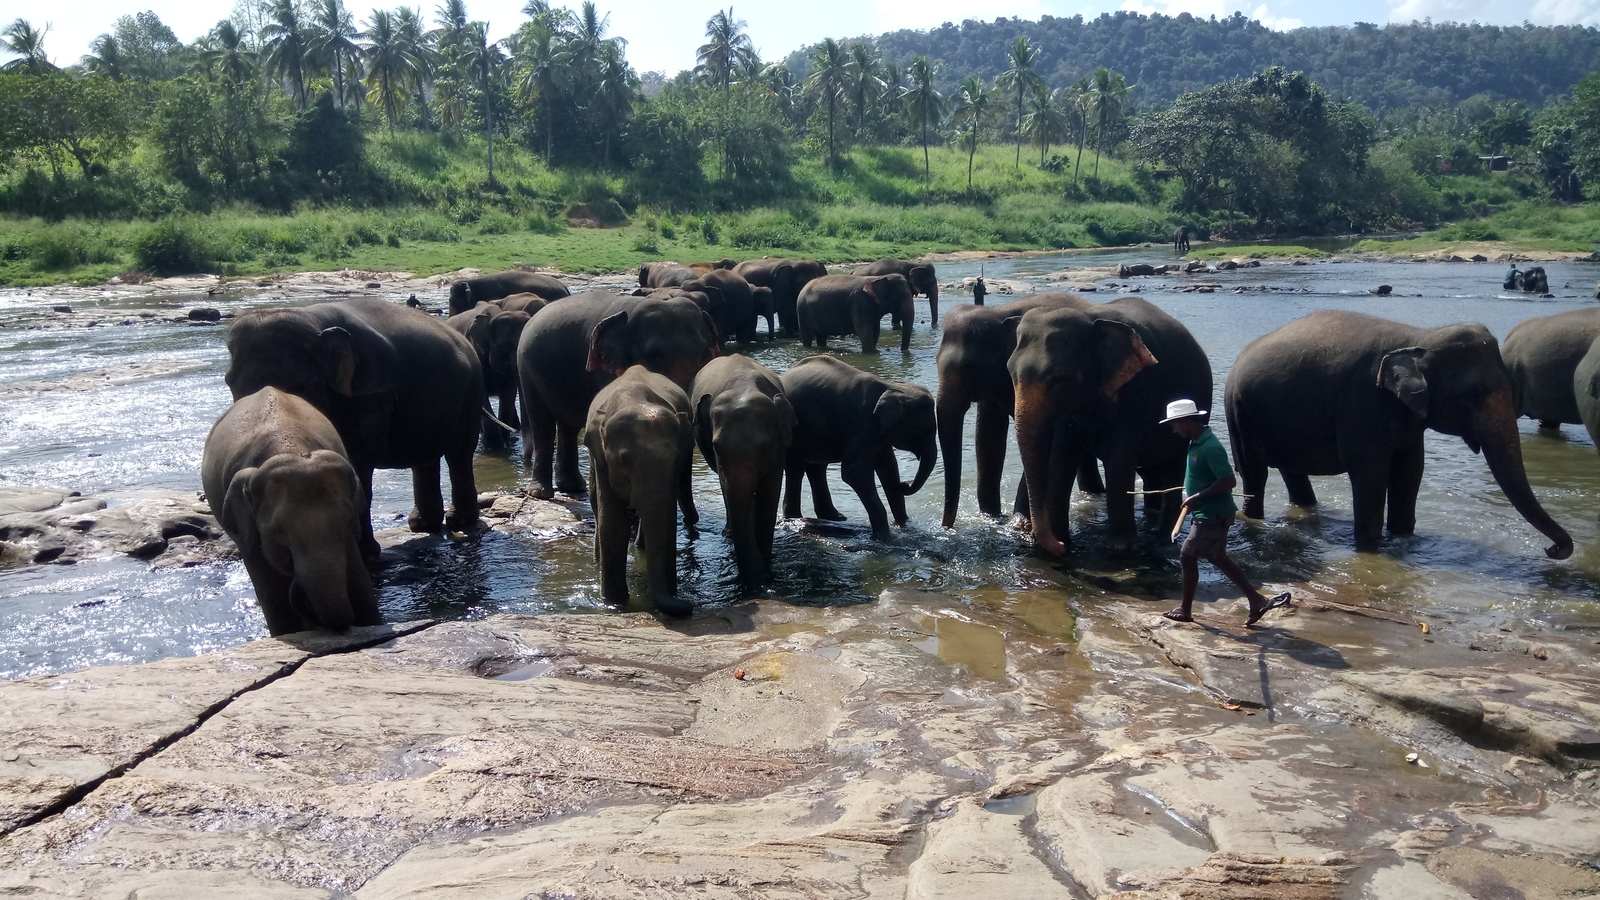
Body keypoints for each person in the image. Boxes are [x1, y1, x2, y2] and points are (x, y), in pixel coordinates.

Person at [1159, 398, 1290, 626]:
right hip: (1208, 513)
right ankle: (1256, 599)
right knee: (1217, 556)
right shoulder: (1196, 442)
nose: (1174, 429)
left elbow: (1228, 481)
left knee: (1187, 555)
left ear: (1188, 421)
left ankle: (1185, 610)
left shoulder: (1210, 447)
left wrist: (1196, 497)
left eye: (1176, 424)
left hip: (1212, 515)